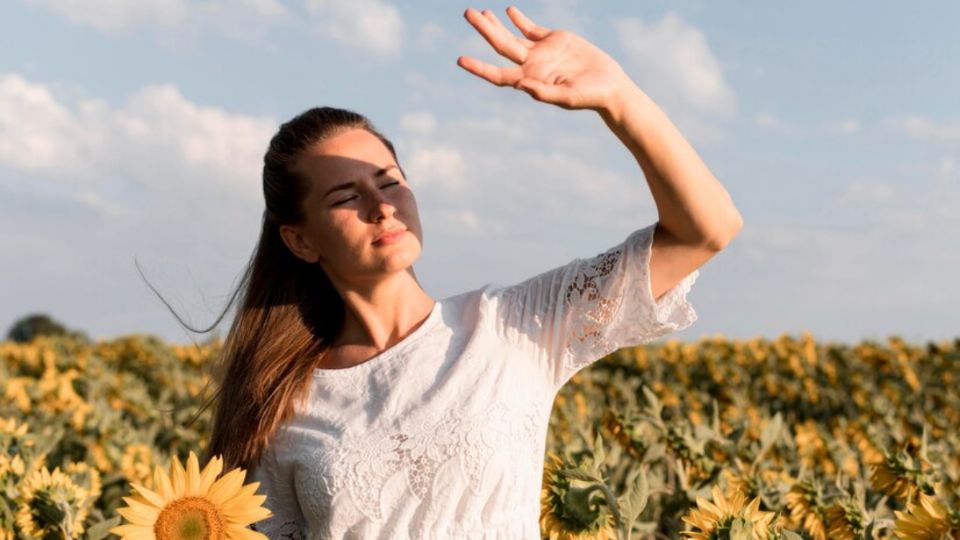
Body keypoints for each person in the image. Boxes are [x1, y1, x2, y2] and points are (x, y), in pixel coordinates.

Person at [199, 5, 743, 539]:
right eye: (347, 196)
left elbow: (706, 230)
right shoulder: (282, 404)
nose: (382, 206)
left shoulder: (513, 325)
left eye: (389, 181)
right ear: (300, 239)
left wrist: (618, 98)